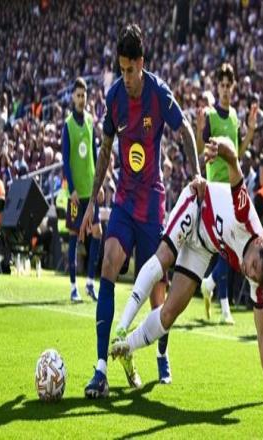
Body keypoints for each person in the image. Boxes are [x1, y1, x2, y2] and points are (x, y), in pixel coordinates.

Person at [110, 136, 263, 407]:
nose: (249, 272)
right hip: (197, 204)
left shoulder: (258, 278)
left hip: (204, 247)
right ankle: (121, 327)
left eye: (254, 276)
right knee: (164, 258)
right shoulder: (246, 217)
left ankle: (125, 348)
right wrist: (220, 148)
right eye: (253, 266)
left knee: (169, 314)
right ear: (260, 243)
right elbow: (234, 162)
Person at [79, 24, 201, 398]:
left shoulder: (159, 94)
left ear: (142, 64)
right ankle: (101, 369)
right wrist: (91, 202)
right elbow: (104, 150)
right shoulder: (114, 97)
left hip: (153, 205)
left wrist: (196, 174)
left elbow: (186, 131)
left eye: (130, 70)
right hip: (124, 202)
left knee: (157, 292)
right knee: (108, 262)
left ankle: (161, 354)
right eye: (121, 70)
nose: (126, 77)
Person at [195, 62, 257, 324]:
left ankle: (209, 284)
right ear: (217, 87)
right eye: (221, 85)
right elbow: (200, 150)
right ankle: (224, 307)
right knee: (227, 246)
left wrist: (250, 131)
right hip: (215, 188)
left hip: (233, 186)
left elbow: (238, 154)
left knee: (232, 246)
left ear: (233, 87)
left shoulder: (233, 117)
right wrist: (199, 130)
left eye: (228, 85)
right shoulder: (210, 115)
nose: (225, 89)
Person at [62, 77, 102, 303]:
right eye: (78, 95)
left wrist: (99, 184)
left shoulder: (89, 121)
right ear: (72, 97)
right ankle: (73, 287)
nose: (81, 99)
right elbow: (65, 161)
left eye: (83, 95)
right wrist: (72, 190)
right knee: (74, 237)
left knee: (97, 233)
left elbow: (95, 156)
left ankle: (89, 283)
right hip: (76, 194)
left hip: (91, 192)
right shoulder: (68, 125)